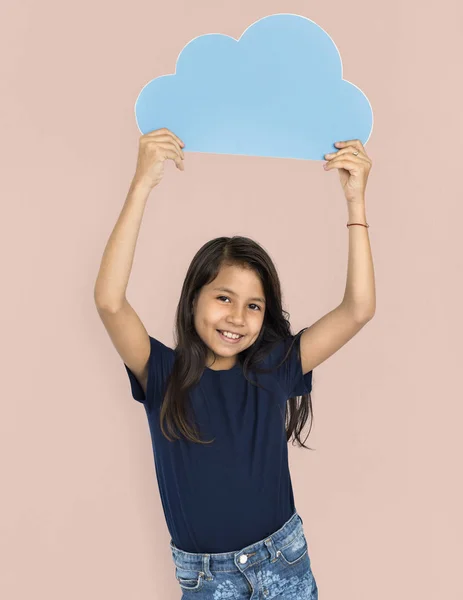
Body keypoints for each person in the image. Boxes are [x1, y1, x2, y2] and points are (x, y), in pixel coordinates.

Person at [94, 128, 375, 598]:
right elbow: (109, 302)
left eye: (253, 306)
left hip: (282, 562)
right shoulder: (161, 372)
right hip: (207, 579)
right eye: (223, 297)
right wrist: (142, 182)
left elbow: (358, 309)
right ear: (194, 298)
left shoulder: (274, 366)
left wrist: (356, 204)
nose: (236, 318)